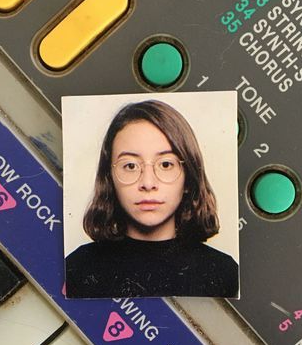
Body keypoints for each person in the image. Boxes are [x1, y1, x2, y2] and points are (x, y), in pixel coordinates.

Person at [66, 100, 239, 298]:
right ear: (109, 178)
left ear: (188, 177)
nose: (148, 183)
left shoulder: (224, 272)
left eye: (165, 164)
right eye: (130, 166)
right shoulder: (77, 267)